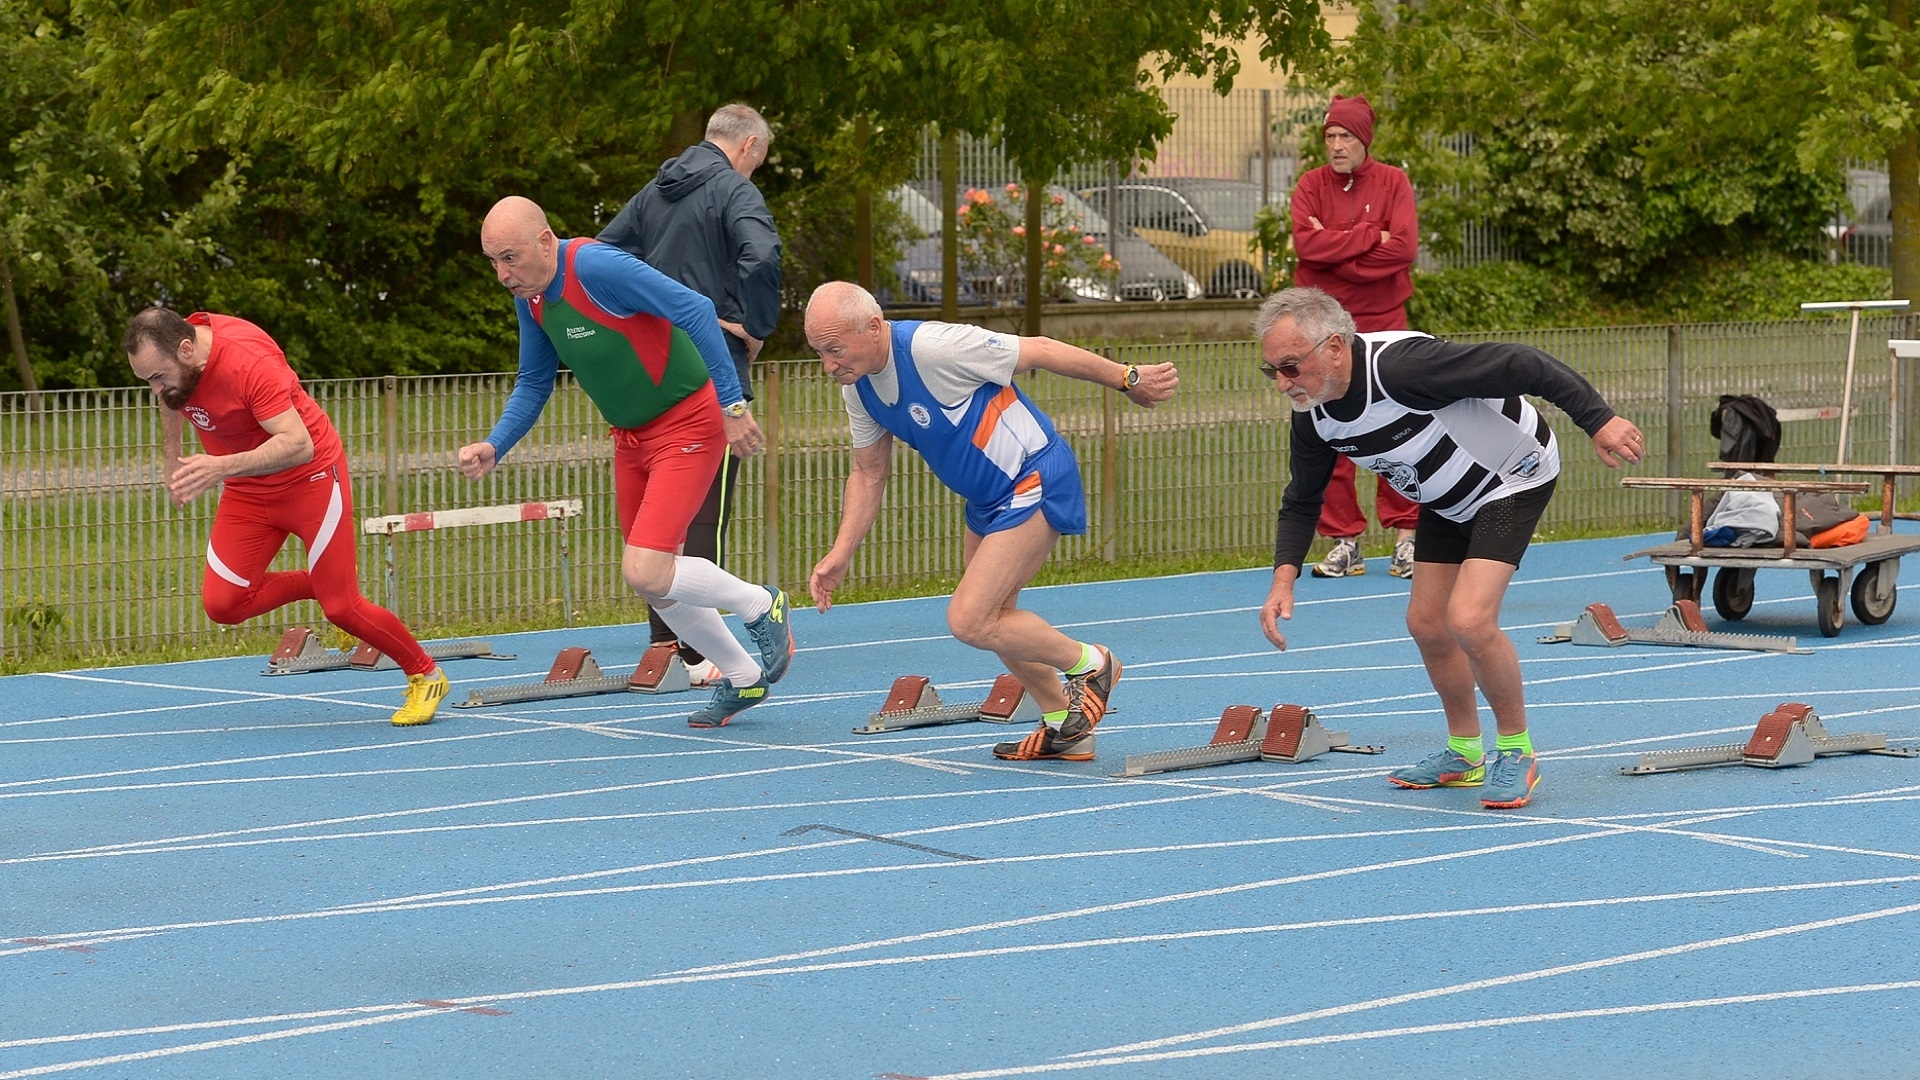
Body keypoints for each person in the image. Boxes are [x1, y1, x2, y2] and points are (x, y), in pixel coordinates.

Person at [1255, 287, 1644, 809]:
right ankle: (1464, 752)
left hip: (1513, 477)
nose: (1282, 384)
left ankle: (1517, 750)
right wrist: (1283, 580)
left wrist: (1599, 420)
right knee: (1427, 622)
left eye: (1289, 367)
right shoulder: (1314, 413)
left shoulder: (1405, 370)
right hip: (1447, 498)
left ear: (1333, 347)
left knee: (1469, 619)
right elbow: (1302, 498)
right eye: (1271, 372)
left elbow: (1523, 362)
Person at [803, 282, 1178, 761]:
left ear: (873, 328)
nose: (828, 365)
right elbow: (868, 471)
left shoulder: (933, 347)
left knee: (971, 618)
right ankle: (1067, 725)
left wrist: (1128, 378)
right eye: (819, 352)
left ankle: (1094, 664)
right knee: (998, 622)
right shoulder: (858, 385)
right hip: (987, 500)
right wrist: (841, 553)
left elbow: (1040, 350)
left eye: (834, 349)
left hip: (1034, 477)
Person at [464, 196, 792, 728]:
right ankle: (742, 678)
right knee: (650, 581)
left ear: (545, 241)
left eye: (510, 258)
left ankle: (761, 603)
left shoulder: (596, 267)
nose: (503, 275)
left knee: (646, 566)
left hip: (688, 422)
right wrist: (495, 445)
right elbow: (532, 381)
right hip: (631, 440)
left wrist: (733, 404)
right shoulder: (531, 298)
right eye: (493, 262)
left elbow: (695, 309)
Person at [122, 306, 451, 726]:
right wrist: (172, 459)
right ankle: (321, 583)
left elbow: (298, 445)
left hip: (310, 479)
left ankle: (426, 674)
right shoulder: (177, 355)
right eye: (145, 379)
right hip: (247, 488)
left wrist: (220, 466)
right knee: (223, 604)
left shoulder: (248, 363)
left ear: (187, 350)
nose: (155, 389)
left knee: (343, 608)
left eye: (156, 376)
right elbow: (172, 397)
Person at [599, 104, 783, 687]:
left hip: (654, 366)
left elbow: (601, 255)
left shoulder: (655, 191)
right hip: (710, 364)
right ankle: (707, 649)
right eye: (762, 161)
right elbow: (763, 258)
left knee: (657, 507)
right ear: (750, 146)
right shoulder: (733, 191)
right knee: (705, 510)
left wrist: (639, 315)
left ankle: (668, 641)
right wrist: (753, 325)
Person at [1290, 92, 1422, 580]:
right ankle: (1344, 540)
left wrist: (1335, 252)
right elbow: (1306, 245)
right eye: (1330, 136)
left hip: (1386, 323)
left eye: (1346, 136)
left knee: (1403, 423)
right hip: (1323, 324)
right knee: (1327, 426)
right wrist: (1371, 236)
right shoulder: (1309, 185)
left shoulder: (1394, 182)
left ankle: (1407, 535)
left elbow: (1404, 250)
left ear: (1364, 139)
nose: (1337, 145)